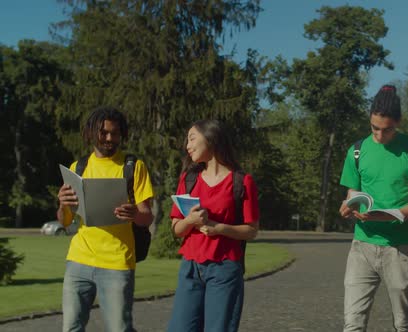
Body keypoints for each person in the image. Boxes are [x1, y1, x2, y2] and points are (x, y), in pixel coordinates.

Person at [339, 84, 408, 332]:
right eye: (374, 128)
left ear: (398, 122)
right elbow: (352, 193)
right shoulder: (356, 150)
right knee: (353, 323)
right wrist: (349, 205)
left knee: (402, 323)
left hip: (400, 249)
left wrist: (382, 216)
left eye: (387, 130)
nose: (379, 136)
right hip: (362, 246)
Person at [56, 106, 154, 332]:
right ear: (91, 132)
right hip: (78, 260)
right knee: (71, 328)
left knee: (119, 329)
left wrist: (134, 214)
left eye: (115, 133)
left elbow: (146, 217)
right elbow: (64, 222)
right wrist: (62, 204)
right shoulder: (77, 168)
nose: (110, 138)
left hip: (117, 263)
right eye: (104, 133)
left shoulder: (133, 167)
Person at [167, 119, 260, 332]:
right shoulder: (188, 179)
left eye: (192, 139)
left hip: (225, 269)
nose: (187, 146)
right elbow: (176, 230)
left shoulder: (242, 182)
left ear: (210, 139)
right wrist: (190, 221)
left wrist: (219, 228)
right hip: (190, 268)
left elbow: (252, 230)